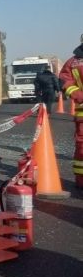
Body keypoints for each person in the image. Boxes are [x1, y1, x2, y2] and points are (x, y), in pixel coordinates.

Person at [59, 35, 83, 189]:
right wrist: (78, 95)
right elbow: (64, 80)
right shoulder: (74, 62)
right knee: (82, 150)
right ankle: (81, 182)